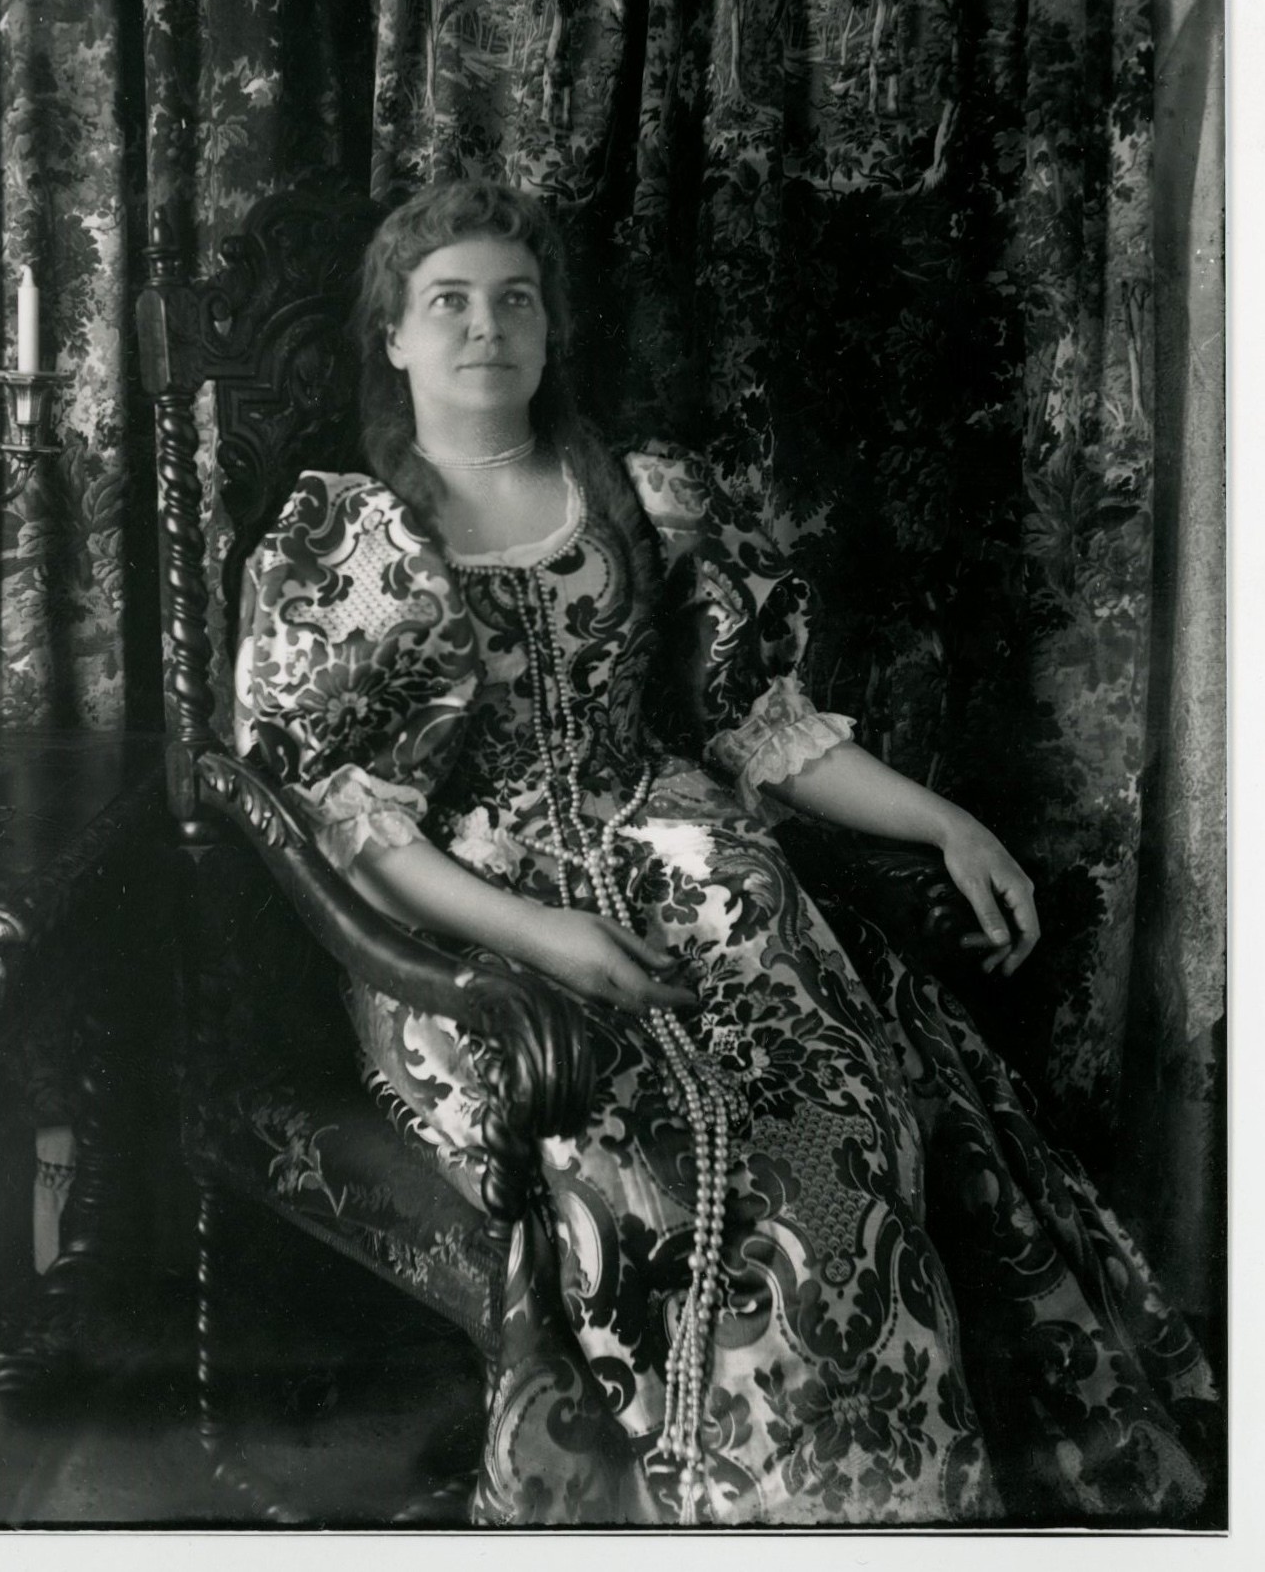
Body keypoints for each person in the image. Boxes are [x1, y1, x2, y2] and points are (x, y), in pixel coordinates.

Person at [233, 179, 1217, 1526]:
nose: (484, 327)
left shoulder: (641, 498)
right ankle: (705, 1506)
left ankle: (874, 1502)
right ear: (393, 336)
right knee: (635, 1162)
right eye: (446, 302)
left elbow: (761, 724)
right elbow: (349, 820)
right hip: (460, 917)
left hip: (690, 864)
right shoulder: (350, 543)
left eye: (515, 299)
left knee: (842, 1113)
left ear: (550, 328)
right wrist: (540, 935)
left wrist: (945, 820)